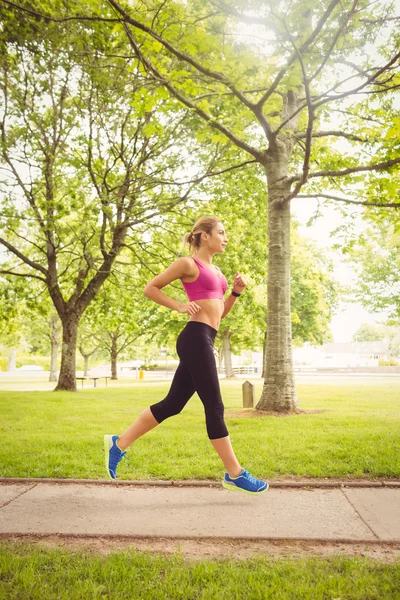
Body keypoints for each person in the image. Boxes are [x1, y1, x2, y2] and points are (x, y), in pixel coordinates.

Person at [104, 216, 268, 495]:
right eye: (221, 232)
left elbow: (220, 313)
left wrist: (236, 294)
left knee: (172, 404)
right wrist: (179, 306)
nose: (225, 238)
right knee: (215, 407)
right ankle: (235, 474)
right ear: (204, 236)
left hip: (206, 338)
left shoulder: (219, 273)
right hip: (194, 338)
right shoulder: (188, 264)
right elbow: (150, 288)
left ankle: (117, 444)